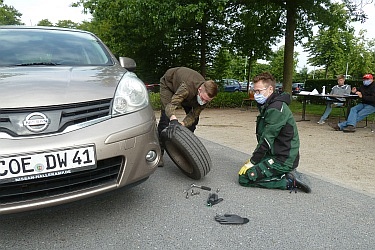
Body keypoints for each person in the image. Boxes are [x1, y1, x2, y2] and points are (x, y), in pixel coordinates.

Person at [238, 72, 311, 193]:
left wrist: (253, 161)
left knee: (245, 177)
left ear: (270, 89)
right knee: (253, 168)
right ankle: (285, 173)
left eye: (258, 91)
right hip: (278, 154)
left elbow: (267, 139)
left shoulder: (275, 108)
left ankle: (289, 181)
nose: (256, 95)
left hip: (283, 158)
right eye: (254, 91)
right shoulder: (270, 105)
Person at [157, 67, 218, 165]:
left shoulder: (205, 98)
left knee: (194, 122)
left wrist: (182, 124)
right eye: (203, 98)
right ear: (200, 89)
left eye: (207, 101)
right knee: (165, 119)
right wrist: (173, 120)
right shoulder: (186, 88)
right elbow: (171, 106)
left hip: (189, 95)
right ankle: (158, 153)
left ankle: (184, 148)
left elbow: (193, 115)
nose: (204, 102)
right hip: (169, 84)